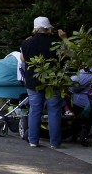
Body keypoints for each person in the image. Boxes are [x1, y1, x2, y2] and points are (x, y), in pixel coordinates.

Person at [21, 16, 68, 148]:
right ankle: (55, 142)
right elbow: (70, 54)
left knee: (35, 110)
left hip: (33, 81)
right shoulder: (56, 42)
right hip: (53, 81)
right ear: (48, 28)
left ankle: (33, 141)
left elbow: (23, 59)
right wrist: (64, 38)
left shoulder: (27, 43)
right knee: (54, 111)